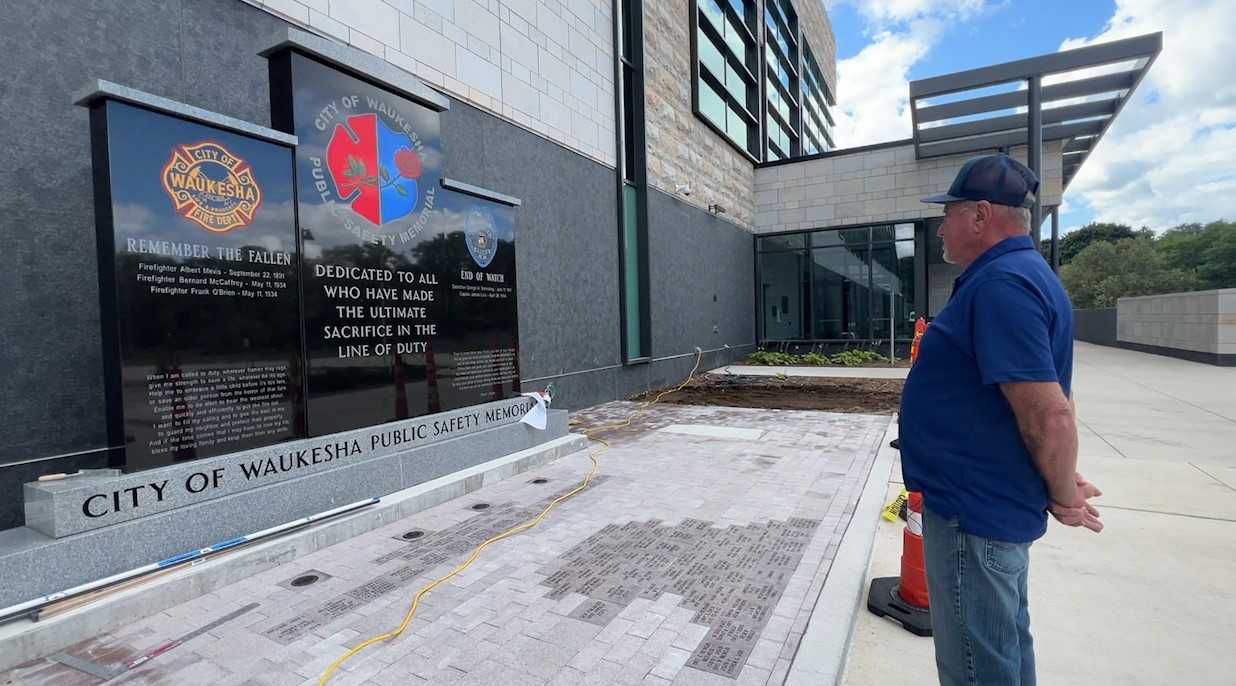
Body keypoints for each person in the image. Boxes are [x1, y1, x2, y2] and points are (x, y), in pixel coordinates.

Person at [900, 154, 1103, 686]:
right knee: (1003, 650)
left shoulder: (1001, 285)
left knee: (977, 666)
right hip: (990, 506)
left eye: (948, 214)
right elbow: (1053, 398)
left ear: (981, 215)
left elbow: (1049, 415)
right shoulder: (1021, 277)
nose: (941, 227)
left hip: (974, 515)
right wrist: (1060, 474)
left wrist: (1064, 492)